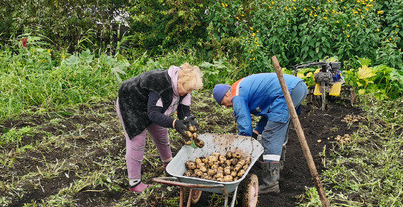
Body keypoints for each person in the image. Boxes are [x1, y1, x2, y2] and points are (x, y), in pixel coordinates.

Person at [212, 73, 307, 194]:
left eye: (223, 103)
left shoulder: (237, 95)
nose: (226, 107)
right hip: (297, 87)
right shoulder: (243, 87)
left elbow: (244, 127)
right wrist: (256, 132)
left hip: (288, 90)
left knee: (270, 136)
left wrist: (242, 146)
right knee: (278, 129)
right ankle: (278, 165)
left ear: (226, 94)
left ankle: (270, 184)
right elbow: (269, 115)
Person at [117, 63, 203, 193]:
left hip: (151, 106)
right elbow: (153, 114)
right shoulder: (161, 85)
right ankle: (134, 183)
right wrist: (174, 123)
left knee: (161, 131)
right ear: (179, 83)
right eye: (187, 90)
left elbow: (184, 110)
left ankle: (168, 163)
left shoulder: (185, 88)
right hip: (131, 103)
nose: (189, 92)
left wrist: (188, 121)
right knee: (137, 141)